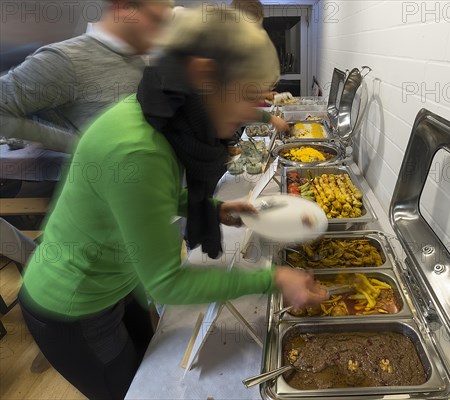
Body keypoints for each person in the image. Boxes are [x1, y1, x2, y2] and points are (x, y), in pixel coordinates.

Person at [18, 6, 327, 399]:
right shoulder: (138, 149)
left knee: (145, 365)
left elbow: (149, 197)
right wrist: (273, 280)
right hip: (71, 305)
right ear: (203, 76)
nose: (253, 113)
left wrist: (211, 209)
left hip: (116, 282)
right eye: (248, 96)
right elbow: (167, 283)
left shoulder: (161, 115)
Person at [0, 0, 174, 153]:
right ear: (122, 7)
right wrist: (80, 145)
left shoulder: (141, 62)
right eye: (155, 20)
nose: (161, 33)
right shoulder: (64, 60)